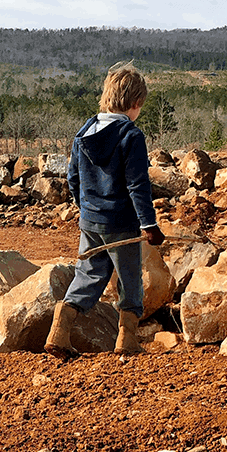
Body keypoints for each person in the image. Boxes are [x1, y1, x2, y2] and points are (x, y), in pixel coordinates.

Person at [45, 62, 164, 357]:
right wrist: (149, 224)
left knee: (89, 274)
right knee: (129, 279)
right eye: (140, 106)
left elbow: (73, 177)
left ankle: (59, 331)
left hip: (91, 220)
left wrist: (86, 207)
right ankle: (127, 341)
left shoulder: (84, 132)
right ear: (135, 103)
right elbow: (138, 185)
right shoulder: (131, 136)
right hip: (121, 224)